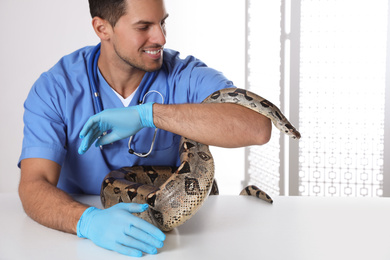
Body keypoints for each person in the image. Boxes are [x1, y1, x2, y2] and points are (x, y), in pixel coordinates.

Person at [18, 0, 272, 257]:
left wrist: (148, 114)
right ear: (102, 28)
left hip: (175, 240)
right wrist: (88, 221)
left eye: (163, 22)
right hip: (75, 238)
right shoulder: (56, 88)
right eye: (144, 27)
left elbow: (258, 127)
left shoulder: (184, 76)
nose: (160, 37)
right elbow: (33, 185)